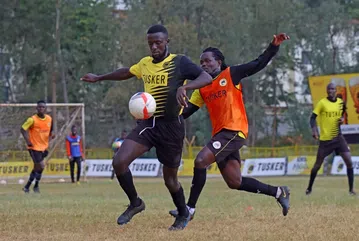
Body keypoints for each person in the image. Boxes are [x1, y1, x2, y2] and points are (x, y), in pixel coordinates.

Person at [80, 24, 212, 230]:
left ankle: (183, 213)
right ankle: (136, 203)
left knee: (170, 180)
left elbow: (206, 77)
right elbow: (126, 72)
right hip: (149, 124)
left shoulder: (179, 62)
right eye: (150, 43)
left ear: (167, 42)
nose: (154, 47)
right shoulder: (145, 64)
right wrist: (99, 77)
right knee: (119, 161)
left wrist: (184, 87)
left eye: (158, 42)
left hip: (172, 127)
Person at [170, 33, 291, 221]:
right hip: (221, 135)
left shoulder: (231, 74)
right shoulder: (202, 87)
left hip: (234, 130)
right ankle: (279, 192)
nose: (203, 65)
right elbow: (186, 112)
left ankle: (189, 209)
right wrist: (164, 115)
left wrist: (273, 46)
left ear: (219, 61)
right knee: (235, 181)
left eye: (207, 61)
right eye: (201, 62)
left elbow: (258, 63)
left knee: (201, 161)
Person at [306, 83, 356, 195]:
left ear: (336, 90)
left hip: (338, 137)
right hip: (325, 140)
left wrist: (342, 119)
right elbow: (312, 118)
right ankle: (309, 188)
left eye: (332, 89)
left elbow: (343, 114)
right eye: (329, 89)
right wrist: (314, 130)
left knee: (349, 161)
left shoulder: (340, 102)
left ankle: (351, 190)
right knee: (317, 165)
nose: (330, 91)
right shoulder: (322, 103)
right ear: (326, 91)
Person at [21, 100, 55, 193]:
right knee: (41, 165)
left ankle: (27, 187)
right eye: (39, 107)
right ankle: (35, 186)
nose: (41, 108)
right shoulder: (32, 119)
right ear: (36, 108)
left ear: (46, 109)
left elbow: (51, 130)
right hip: (34, 147)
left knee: (38, 167)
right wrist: (28, 141)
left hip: (43, 147)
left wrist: (52, 135)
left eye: (43, 107)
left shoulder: (49, 119)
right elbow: (23, 129)